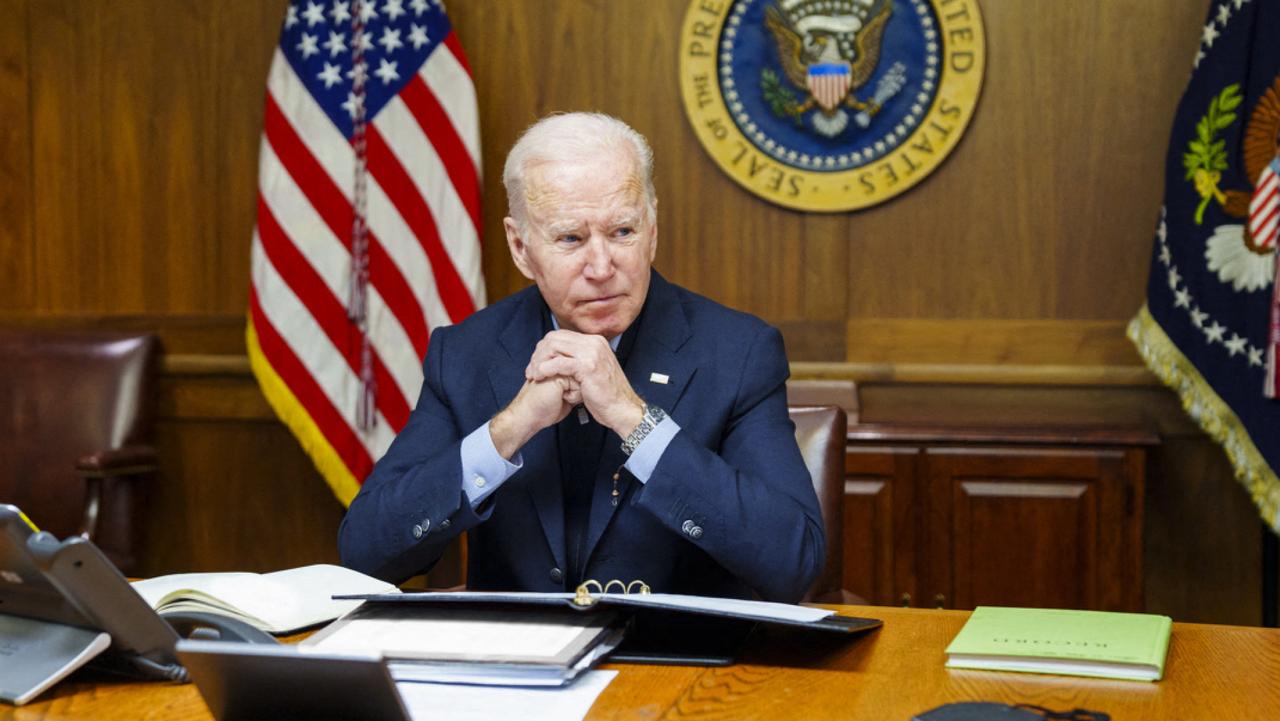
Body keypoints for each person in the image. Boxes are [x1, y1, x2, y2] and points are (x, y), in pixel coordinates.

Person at [338, 112, 824, 603]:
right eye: (571, 238)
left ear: (652, 228)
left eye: (622, 232)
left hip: (680, 664)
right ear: (520, 247)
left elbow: (793, 560)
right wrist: (509, 428)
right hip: (520, 668)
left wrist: (636, 421)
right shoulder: (465, 353)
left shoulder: (737, 352)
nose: (601, 266)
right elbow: (365, 554)